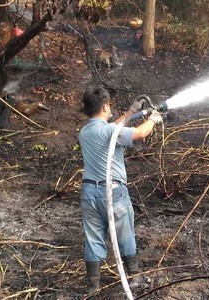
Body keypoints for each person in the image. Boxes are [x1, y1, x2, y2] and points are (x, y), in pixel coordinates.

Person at [78, 86, 162, 298]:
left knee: (93, 238)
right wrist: (154, 118)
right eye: (109, 107)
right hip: (113, 192)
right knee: (124, 234)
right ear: (105, 106)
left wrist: (132, 111)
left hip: (88, 192)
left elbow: (112, 128)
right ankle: (134, 277)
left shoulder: (86, 131)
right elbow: (141, 132)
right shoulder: (109, 131)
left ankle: (92, 288)